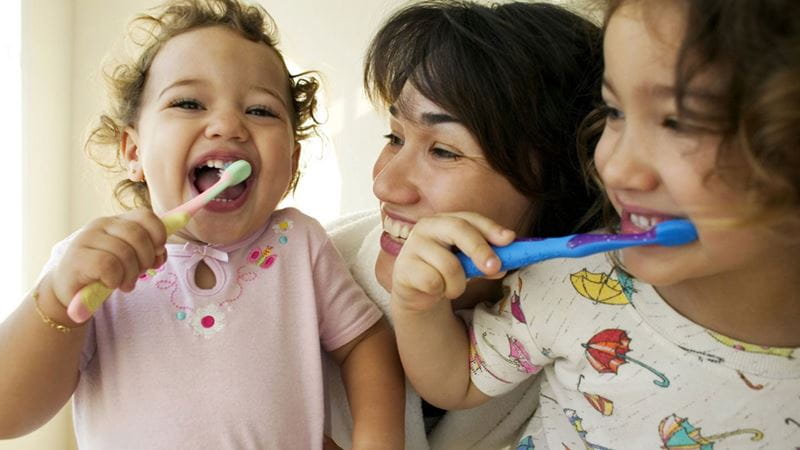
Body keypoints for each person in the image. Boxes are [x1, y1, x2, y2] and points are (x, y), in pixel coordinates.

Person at [390, 0, 800, 448]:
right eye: (614, 112)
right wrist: (416, 304)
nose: (615, 167)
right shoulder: (578, 282)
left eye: (680, 122)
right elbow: (456, 382)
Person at [0, 0, 405, 448]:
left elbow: (365, 344)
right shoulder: (95, 265)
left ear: (290, 161)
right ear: (133, 152)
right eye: (189, 102)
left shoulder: (299, 243)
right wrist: (56, 302)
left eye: (261, 110)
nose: (228, 124)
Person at [324, 1, 603, 448]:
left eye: (444, 151)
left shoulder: (599, 333)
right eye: (394, 137)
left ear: (563, 183)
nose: (385, 184)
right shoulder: (294, 277)